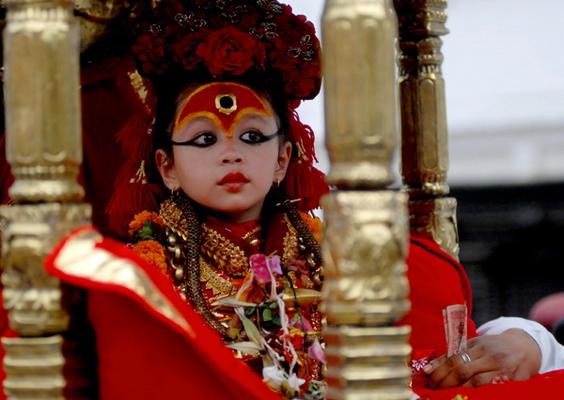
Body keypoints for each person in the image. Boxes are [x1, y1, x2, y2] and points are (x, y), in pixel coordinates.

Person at [3, 0, 564, 398]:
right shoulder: (136, 281)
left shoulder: (357, 262)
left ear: (283, 159)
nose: (231, 154)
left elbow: (435, 363)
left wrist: (530, 339)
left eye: (252, 137)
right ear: (166, 167)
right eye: (204, 139)